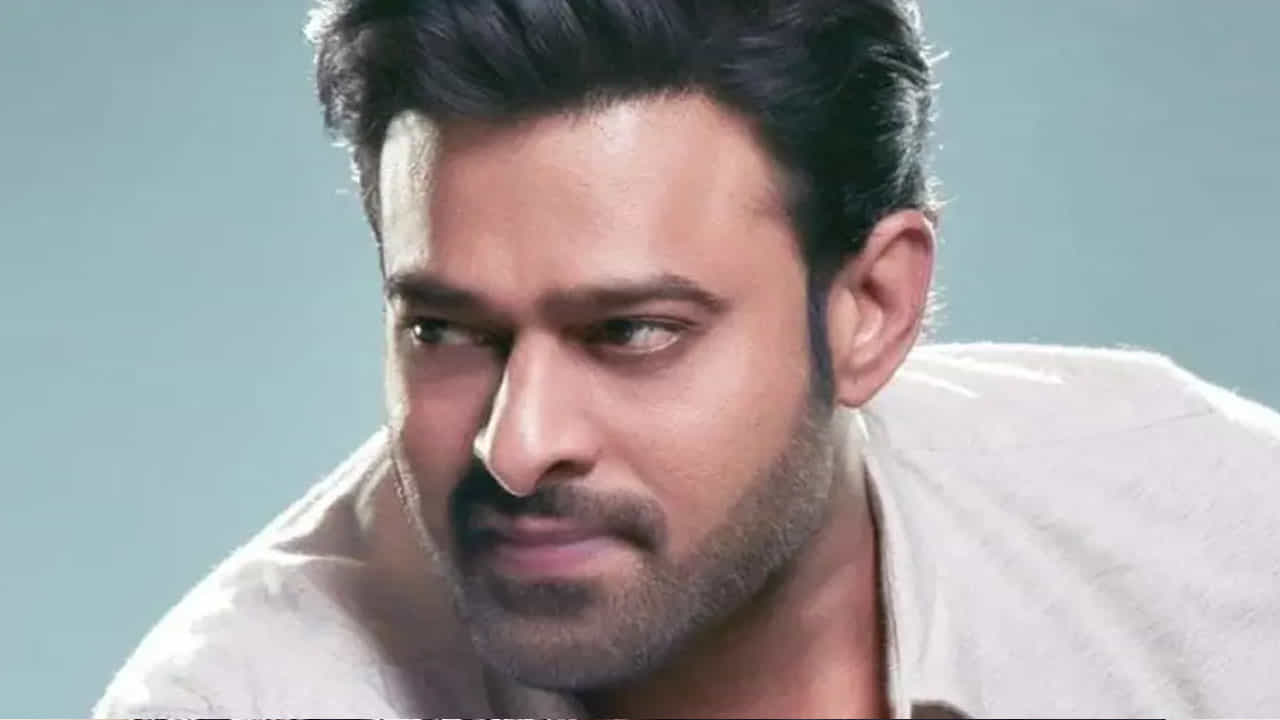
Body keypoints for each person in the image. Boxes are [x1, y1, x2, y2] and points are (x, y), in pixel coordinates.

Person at [94, 0, 1280, 716]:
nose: (516, 446)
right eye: (444, 330)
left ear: (869, 309)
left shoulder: (1212, 529)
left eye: (631, 332)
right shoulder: (245, 699)